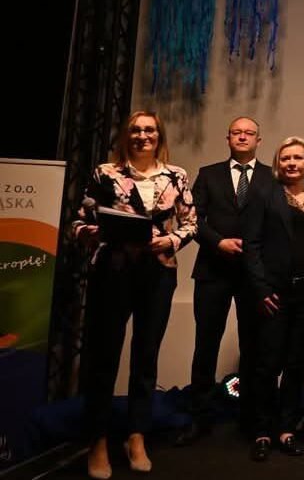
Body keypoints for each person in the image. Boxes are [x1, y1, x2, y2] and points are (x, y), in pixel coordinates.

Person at [73, 111, 197, 479]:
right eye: (136, 130)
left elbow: (191, 223)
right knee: (104, 356)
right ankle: (97, 440)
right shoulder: (105, 173)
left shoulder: (176, 175)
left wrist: (170, 239)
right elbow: (79, 222)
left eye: (150, 130)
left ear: (160, 136)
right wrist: (97, 233)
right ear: (126, 136)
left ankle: (136, 435)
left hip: (158, 273)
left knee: (146, 356)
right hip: (113, 271)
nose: (143, 135)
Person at [176, 116, 270, 446]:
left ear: (259, 140)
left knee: (253, 347)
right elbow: (192, 219)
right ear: (227, 138)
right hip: (213, 270)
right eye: (237, 133)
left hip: (254, 274)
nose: (243, 137)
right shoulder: (208, 174)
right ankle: (199, 418)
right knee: (206, 346)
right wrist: (218, 242)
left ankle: (251, 419)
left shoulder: (271, 177)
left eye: (249, 133)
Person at [243, 138, 304, 462]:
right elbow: (251, 245)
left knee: (297, 364)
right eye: (285, 158)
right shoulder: (263, 195)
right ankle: (262, 430)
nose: (292, 163)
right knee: (267, 364)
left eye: (298, 157)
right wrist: (261, 289)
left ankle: (286, 429)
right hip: (273, 294)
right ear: (277, 164)